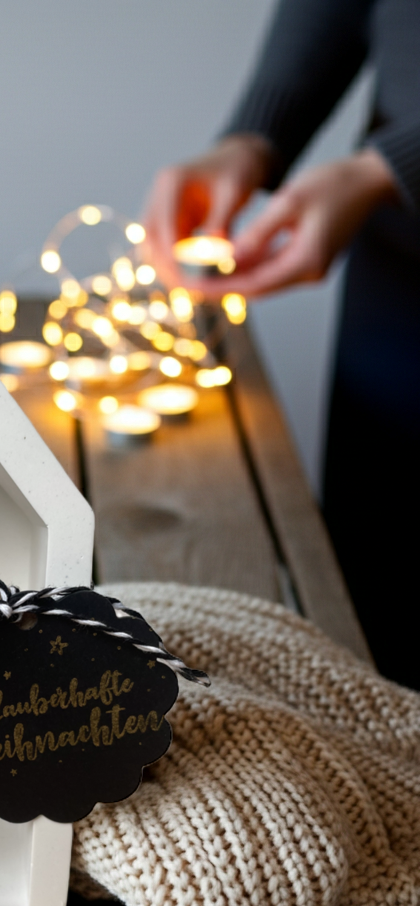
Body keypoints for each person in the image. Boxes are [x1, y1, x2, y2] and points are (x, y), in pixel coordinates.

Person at [142, 0, 420, 688]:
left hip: (386, 195)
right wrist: (257, 134)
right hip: (396, 266)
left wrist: (388, 169)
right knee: (374, 591)